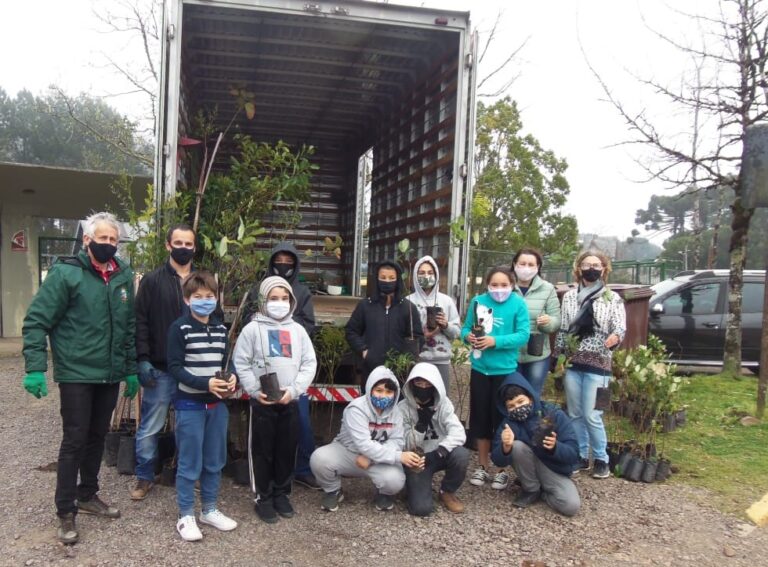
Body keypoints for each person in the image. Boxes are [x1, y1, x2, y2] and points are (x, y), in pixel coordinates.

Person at [21, 211, 139, 545]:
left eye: (114, 240)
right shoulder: (66, 274)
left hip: (109, 374)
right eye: (103, 238)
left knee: (97, 437)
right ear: (87, 240)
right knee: (74, 439)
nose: (109, 244)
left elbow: (128, 327)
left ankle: (88, 495)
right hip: (77, 373)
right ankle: (65, 509)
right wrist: (34, 368)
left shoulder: (122, 276)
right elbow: (36, 321)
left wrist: (129, 368)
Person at [233, 276, 317, 524]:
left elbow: (309, 363)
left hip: (289, 401)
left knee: (285, 450)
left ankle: (282, 493)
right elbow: (242, 362)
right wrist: (252, 389)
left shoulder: (298, 330)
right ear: (263, 300)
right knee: (262, 451)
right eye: (273, 298)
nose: (279, 303)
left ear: (291, 301)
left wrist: (295, 390)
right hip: (262, 403)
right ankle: (264, 497)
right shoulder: (252, 329)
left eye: (283, 298)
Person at [167, 271, 238, 541]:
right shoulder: (179, 329)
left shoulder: (220, 329)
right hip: (189, 405)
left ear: (217, 298)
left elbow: (225, 363)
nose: (205, 301)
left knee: (214, 461)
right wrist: (204, 384)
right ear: (187, 300)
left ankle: (209, 509)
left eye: (209, 296)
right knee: (189, 462)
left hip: (216, 407)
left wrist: (232, 376)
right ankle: (186, 514)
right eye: (198, 297)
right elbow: (174, 367)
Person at [243, 242, 319, 490]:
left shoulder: (303, 293)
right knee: (265, 438)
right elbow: (247, 320)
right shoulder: (258, 290)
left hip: (292, 381)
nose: (283, 265)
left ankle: (300, 472)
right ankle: (264, 489)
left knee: (300, 427)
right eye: (280, 260)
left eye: (289, 261)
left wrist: (285, 326)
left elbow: (308, 324)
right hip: (265, 384)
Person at [131, 223, 196, 501]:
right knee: (150, 427)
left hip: (193, 371)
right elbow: (140, 322)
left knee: (188, 426)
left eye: (188, 244)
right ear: (168, 245)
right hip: (160, 369)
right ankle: (145, 476)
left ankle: (186, 474)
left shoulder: (201, 282)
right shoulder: (152, 281)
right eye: (178, 243)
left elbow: (215, 322)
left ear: (194, 247)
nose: (183, 248)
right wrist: (142, 359)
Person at [555, 251, 626, 479]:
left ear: (604, 268)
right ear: (578, 268)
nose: (591, 268)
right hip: (574, 363)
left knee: (592, 414)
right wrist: (559, 358)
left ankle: (602, 458)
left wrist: (615, 338)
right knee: (575, 413)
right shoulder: (568, 297)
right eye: (587, 264)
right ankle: (581, 455)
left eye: (596, 265)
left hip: (600, 363)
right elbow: (564, 328)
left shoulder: (612, 298)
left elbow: (620, 327)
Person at [310, 367, 419, 513]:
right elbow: (363, 444)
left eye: (388, 392)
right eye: (378, 390)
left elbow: (397, 441)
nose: (383, 396)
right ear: (370, 389)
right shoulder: (356, 409)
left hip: (374, 458)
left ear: (395, 393)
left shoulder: (397, 413)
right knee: (319, 458)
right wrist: (398, 457)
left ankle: (384, 495)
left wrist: (371, 458)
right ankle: (333, 490)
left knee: (395, 480)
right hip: (349, 452)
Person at [461, 266, 529, 491]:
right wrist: (468, 337)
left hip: (506, 371)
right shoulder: (478, 302)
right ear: (487, 285)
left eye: (504, 285)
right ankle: (482, 465)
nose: (499, 290)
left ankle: (501, 469)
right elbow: (465, 329)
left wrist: (495, 341)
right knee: (480, 418)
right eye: (494, 285)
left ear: (512, 285)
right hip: (480, 369)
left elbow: (523, 335)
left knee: (503, 419)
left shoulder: (518, 304)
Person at [491, 375, 581, 516]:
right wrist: (505, 447)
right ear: (506, 409)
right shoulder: (508, 424)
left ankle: (544, 493)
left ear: (531, 398)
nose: (518, 408)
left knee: (571, 506)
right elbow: (497, 460)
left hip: (553, 469)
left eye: (521, 402)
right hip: (528, 465)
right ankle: (531, 489)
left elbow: (574, 454)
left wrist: (555, 447)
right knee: (517, 446)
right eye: (511, 406)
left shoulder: (553, 414)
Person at [399, 362, 469, 516]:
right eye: (419, 383)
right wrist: (420, 426)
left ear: (435, 385)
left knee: (461, 455)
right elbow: (403, 443)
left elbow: (458, 432)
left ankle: (446, 491)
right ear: (411, 384)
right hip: (416, 460)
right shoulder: (403, 408)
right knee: (421, 509)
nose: (423, 387)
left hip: (438, 454)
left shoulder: (443, 404)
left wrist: (440, 450)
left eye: (428, 384)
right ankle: (411, 487)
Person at [345, 260, 424, 379]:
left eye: (392, 277)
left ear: (398, 280)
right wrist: (364, 351)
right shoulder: (365, 305)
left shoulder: (408, 308)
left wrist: (406, 360)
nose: (387, 281)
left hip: (399, 372)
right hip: (371, 369)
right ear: (376, 279)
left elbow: (418, 337)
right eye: (383, 277)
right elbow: (351, 331)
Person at [406, 255, 462, 391]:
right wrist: (420, 335)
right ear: (415, 275)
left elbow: (457, 332)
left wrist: (446, 325)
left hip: (440, 360)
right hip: (416, 360)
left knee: (441, 399)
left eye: (430, 273)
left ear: (436, 275)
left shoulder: (446, 301)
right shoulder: (408, 301)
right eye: (422, 273)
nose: (426, 276)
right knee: (415, 398)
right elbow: (401, 333)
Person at [511, 248, 561, 398]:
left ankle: (533, 421)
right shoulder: (505, 286)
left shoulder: (547, 289)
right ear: (514, 264)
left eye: (531, 264)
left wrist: (548, 322)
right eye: (522, 263)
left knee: (533, 395)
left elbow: (556, 321)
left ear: (538, 267)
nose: (526, 268)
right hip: (509, 351)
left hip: (536, 354)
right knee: (511, 394)